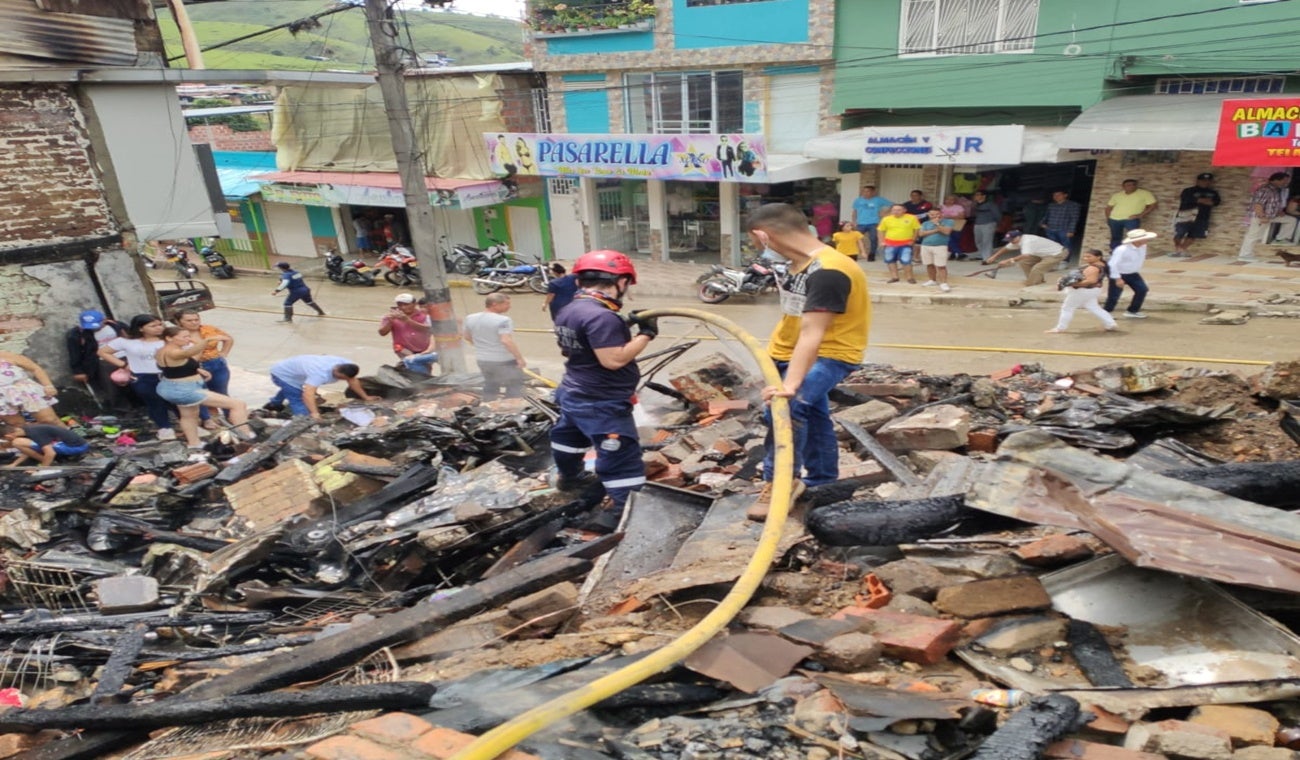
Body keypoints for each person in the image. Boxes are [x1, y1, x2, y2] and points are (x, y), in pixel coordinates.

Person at [747, 203, 869, 521]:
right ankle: (823, 483)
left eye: (756, 242)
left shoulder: (829, 271)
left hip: (830, 355)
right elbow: (796, 319)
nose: (759, 248)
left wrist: (790, 385)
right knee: (814, 416)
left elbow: (813, 333)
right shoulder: (799, 264)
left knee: (786, 408)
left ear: (763, 235)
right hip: (788, 352)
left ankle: (780, 482)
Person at [550, 250, 655, 530]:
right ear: (620, 280)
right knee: (621, 457)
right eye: (627, 283)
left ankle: (569, 478)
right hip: (602, 400)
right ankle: (628, 513)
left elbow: (578, 345)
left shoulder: (568, 309)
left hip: (573, 392)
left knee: (568, 439)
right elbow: (614, 360)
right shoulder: (602, 317)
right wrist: (646, 334)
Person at [154, 326, 253, 449]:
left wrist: (197, 368)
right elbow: (188, 353)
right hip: (184, 390)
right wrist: (205, 341)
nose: (188, 339)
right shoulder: (172, 352)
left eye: (189, 336)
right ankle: (246, 437)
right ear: (169, 338)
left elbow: (188, 361)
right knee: (238, 404)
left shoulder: (163, 350)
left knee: (189, 415)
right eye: (184, 337)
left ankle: (194, 444)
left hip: (174, 387)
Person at [99, 315, 175, 440]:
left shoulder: (168, 339)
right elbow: (103, 352)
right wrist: (123, 365)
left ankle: (189, 425)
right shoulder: (128, 342)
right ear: (141, 328)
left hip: (169, 374)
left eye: (160, 324)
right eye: (153, 326)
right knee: (154, 403)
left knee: (177, 401)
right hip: (144, 375)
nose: (158, 328)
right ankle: (164, 427)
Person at [266, 356, 378, 420]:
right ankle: (302, 420)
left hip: (295, 371)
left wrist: (366, 397)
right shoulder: (319, 373)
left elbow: (353, 380)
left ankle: (273, 404)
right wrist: (314, 413)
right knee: (296, 397)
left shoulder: (347, 364)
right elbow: (308, 394)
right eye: (340, 378)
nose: (342, 380)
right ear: (335, 370)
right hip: (282, 374)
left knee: (291, 389)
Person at [173, 310, 234, 428]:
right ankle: (207, 419)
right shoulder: (176, 335)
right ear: (179, 322)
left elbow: (228, 339)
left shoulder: (209, 329)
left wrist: (224, 352)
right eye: (189, 320)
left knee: (221, 392)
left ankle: (230, 415)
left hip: (216, 364)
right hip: (194, 367)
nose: (194, 322)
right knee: (201, 394)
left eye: (196, 319)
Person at [464, 293, 527, 402]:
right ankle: (511, 409)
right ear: (495, 304)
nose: (509, 307)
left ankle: (488, 406)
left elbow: (466, 337)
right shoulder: (503, 320)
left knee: (491, 384)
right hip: (504, 360)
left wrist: (482, 347)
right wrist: (519, 358)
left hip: (482, 359)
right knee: (514, 384)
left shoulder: (470, 318)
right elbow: (506, 340)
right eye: (506, 304)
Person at [1045, 249, 1117, 334]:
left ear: (1098, 257)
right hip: (1092, 290)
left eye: (1089, 257)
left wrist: (1070, 284)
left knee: (1067, 308)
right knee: (1093, 307)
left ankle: (1060, 328)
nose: (1086, 258)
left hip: (1083, 291)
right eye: (1085, 256)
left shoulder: (1093, 268)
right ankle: (1111, 324)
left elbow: (1091, 281)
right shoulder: (1102, 265)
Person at [66, 309, 125, 404]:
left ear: (104, 320)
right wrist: (78, 371)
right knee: (111, 387)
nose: (93, 329)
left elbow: (130, 337)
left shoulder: (116, 326)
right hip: (102, 362)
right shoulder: (77, 334)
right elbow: (74, 353)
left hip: (124, 356)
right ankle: (122, 409)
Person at [378, 293, 438, 375]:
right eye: (400, 305)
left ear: (414, 304)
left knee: (424, 367)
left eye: (406, 304)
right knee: (411, 362)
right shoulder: (389, 316)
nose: (403, 307)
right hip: (402, 347)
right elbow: (382, 333)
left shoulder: (424, 315)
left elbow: (428, 329)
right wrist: (390, 322)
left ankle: (421, 380)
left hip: (424, 347)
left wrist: (407, 320)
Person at [0, 351, 63, 428]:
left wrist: (48, 385)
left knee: (49, 420)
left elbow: (35, 368)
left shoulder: (6, 355)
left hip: (25, 391)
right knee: (17, 425)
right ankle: (39, 439)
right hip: (2, 398)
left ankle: (72, 438)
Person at [984, 230, 1068, 286]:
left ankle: (1031, 284)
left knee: (1037, 268)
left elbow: (1025, 255)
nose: (1011, 241)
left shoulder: (1027, 241)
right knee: (1023, 263)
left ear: (1019, 237)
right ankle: (1035, 281)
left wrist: (1009, 260)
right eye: (1009, 240)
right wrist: (993, 257)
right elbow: (1006, 248)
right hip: (1041, 253)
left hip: (1057, 253)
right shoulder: (1015, 240)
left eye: (1012, 239)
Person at [1104, 228, 1157, 319]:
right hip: (1120, 273)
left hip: (1133, 273)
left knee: (1142, 290)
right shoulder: (1122, 250)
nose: (1147, 240)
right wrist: (1117, 278)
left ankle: (1133, 310)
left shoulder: (1143, 246)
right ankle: (1107, 312)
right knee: (1114, 295)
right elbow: (1112, 264)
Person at [1240, 172, 1292, 260]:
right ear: (1276, 180)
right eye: (1284, 181)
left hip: (1271, 216)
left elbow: (1272, 204)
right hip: (1260, 217)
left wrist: (1279, 212)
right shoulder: (1265, 189)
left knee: (1291, 220)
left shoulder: (1276, 189)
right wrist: (1262, 217)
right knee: (1253, 235)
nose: (1286, 183)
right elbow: (1258, 205)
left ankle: (1280, 239)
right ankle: (1244, 255)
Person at [1171, 173, 1221, 257]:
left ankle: (1182, 249)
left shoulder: (1213, 192)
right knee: (1179, 233)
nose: (1206, 182)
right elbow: (1188, 200)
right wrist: (1202, 201)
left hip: (1202, 216)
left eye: (1208, 181)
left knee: (1194, 234)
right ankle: (1177, 247)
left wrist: (1199, 200)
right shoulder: (1188, 191)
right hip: (1186, 215)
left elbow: (1215, 202)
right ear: (1198, 181)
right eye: (1203, 181)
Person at [1, 422, 89, 466]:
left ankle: (48, 464)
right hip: (73, 444)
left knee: (17, 442)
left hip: (76, 447)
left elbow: (51, 453)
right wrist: (14, 464)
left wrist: (41, 469)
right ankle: (47, 462)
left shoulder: (35, 433)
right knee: (20, 443)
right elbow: (27, 451)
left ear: (8, 436)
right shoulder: (26, 430)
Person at [1105, 179, 1158, 249]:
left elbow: (1153, 205)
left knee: (1135, 237)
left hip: (1131, 220)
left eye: (1134, 185)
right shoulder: (1117, 195)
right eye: (1128, 185)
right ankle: (1114, 253)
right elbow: (1108, 208)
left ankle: (1133, 252)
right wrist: (1109, 218)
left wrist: (1140, 215)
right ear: (1123, 187)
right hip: (1114, 219)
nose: (1132, 186)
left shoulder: (1144, 193)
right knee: (1115, 237)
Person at [877, 204, 921, 284]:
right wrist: (881, 241)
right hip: (890, 243)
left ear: (904, 210)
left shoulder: (912, 218)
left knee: (906, 260)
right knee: (890, 260)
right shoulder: (886, 219)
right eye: (894, 210)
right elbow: (880, 230)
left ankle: (909, 278)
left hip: (906, 243)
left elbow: (916, 229)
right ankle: (894, 277)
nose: (896, 212)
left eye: (898, 210)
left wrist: (913, 240)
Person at [851, 185, 893, 262]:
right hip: (860, 223)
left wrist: (885, 213)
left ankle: (872, 254)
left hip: (873, 223)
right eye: (864, 191)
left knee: (873, 239)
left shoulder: (878, 200)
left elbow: (892, 205)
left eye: (868, 191)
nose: (865, 193)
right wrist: (854, 221)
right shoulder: (858, 200)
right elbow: (855, 211)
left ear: (873, 192)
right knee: (855, 238)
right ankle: (854, 254)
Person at [917, 208, 954, 292]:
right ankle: (932, 280)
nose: (935, 216)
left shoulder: (948, 222)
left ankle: (944, 283)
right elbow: (921, 234)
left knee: (941, 266)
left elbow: (946, 232)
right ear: (929, 215)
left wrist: (937, 224)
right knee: (929, 264)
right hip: (926, 245)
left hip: (940, 246)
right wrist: (936, 230)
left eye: (937, 214)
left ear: (941, 214)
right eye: (932, 214)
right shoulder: (925, 223)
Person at [1041, 190, 1082, 256]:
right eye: (1054, 195)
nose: (1056, 197)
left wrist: (1071, 230)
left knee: (1066, 246)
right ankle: (1054, 259)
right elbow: (1046, 215)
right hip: (1050, 228)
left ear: (1065, 195)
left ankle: (1064, 261)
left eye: (1058, 195)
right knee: (1052, 245)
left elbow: (1074, 218)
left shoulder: (1073, 205)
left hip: (1064, 230)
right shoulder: (1051, 205)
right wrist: (1042, 223)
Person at [970, 190, 1002, 261]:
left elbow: (997, 215)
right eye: (975, 195)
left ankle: (987, 258)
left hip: (988, 224)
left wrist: (997, 224)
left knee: (987, 241)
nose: (976, 197)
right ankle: (981, 254)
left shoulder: (990, 204)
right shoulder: (975, 205)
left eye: (978, 195)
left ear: (983, 196)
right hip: (978, 224)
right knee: (978, 240)